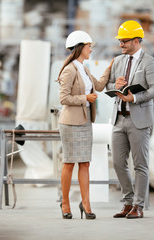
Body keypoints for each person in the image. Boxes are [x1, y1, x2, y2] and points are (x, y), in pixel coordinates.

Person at [106, 20, 154, 219]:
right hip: (119, 119)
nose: (121, 44)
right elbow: (108, 86)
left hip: (139, 120)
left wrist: (135, 97)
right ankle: (128, 202)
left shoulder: (150, 62)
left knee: (140, 165)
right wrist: (115, 84)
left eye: (125, 41)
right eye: (120, 40)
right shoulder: (118, 61)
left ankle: (138, 205)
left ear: (137, 41)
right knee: (118, 163)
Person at [57, 30, 113, 220]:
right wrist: (85, 98)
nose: (91, 49)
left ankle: (86, 204)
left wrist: (110, 69)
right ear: (80, 47)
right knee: (69, 164)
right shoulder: (69, 70)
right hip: (71, 123)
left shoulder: (84, 68)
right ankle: (65, 204)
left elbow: (98, 86)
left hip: (85, 121)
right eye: (89, 46)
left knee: (85, 163)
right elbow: (64, 98)